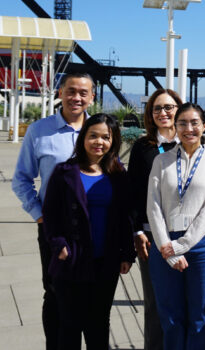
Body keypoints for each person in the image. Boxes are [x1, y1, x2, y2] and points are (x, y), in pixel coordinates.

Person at [12, 72, 95, 350]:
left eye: (83, 92)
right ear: (60, 93)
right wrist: (39, 214)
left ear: (92, 97)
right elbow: (21, 178)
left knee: (90, 295)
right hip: (54, 227)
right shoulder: (40, 130)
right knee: (55, 292)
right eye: (71, 91)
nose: (77, 97)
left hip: (94, 227)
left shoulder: (99, 131)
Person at [42, 113, 136, 350]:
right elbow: (50, 214)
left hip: (106, 262)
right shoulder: (64, 172)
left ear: (113, 141)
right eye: (93, 135)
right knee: (70, 326)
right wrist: (59, 245)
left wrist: (127, 254)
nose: (99, 141)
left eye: (106, 137)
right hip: (71, 260)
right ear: (83, 137)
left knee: (98, 325)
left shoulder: (118, 175)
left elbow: (126, 218)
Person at [147, 103, 205, 350]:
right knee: (170, 318)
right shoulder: (162, 160)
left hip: (202, 244)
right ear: (175, 126)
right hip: (165, 242)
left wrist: (180, 246)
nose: (189, 128)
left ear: (204, 126)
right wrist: (166, 247)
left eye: (195, 123)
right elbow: (153, 206)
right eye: (182, 123)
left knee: (201, 318)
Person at [128, 88, 182, 350]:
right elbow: (134, 192)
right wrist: (137, 231)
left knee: (184, 302)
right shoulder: (142, 147)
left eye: (169, 107)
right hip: (151, 235)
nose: (163, 113)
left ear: (179, 109)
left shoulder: (194, 142)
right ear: (150, 115)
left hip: (186, 235)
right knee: (155, 303)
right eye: (157, 108)